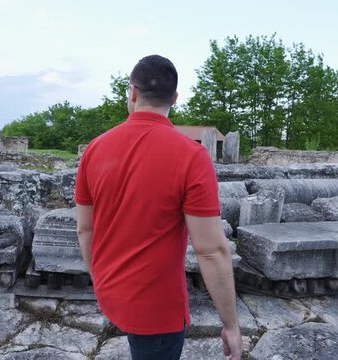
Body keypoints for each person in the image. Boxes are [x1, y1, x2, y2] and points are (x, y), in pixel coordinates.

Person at [75, 55, 243, 360]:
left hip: (112, 292)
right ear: (175, 99)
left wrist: (99, 277)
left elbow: (85, 228)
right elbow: (210, 250)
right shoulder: (191, 156)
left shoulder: (95, 149)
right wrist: (231, 325)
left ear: (133, 93)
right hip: (157, 308)